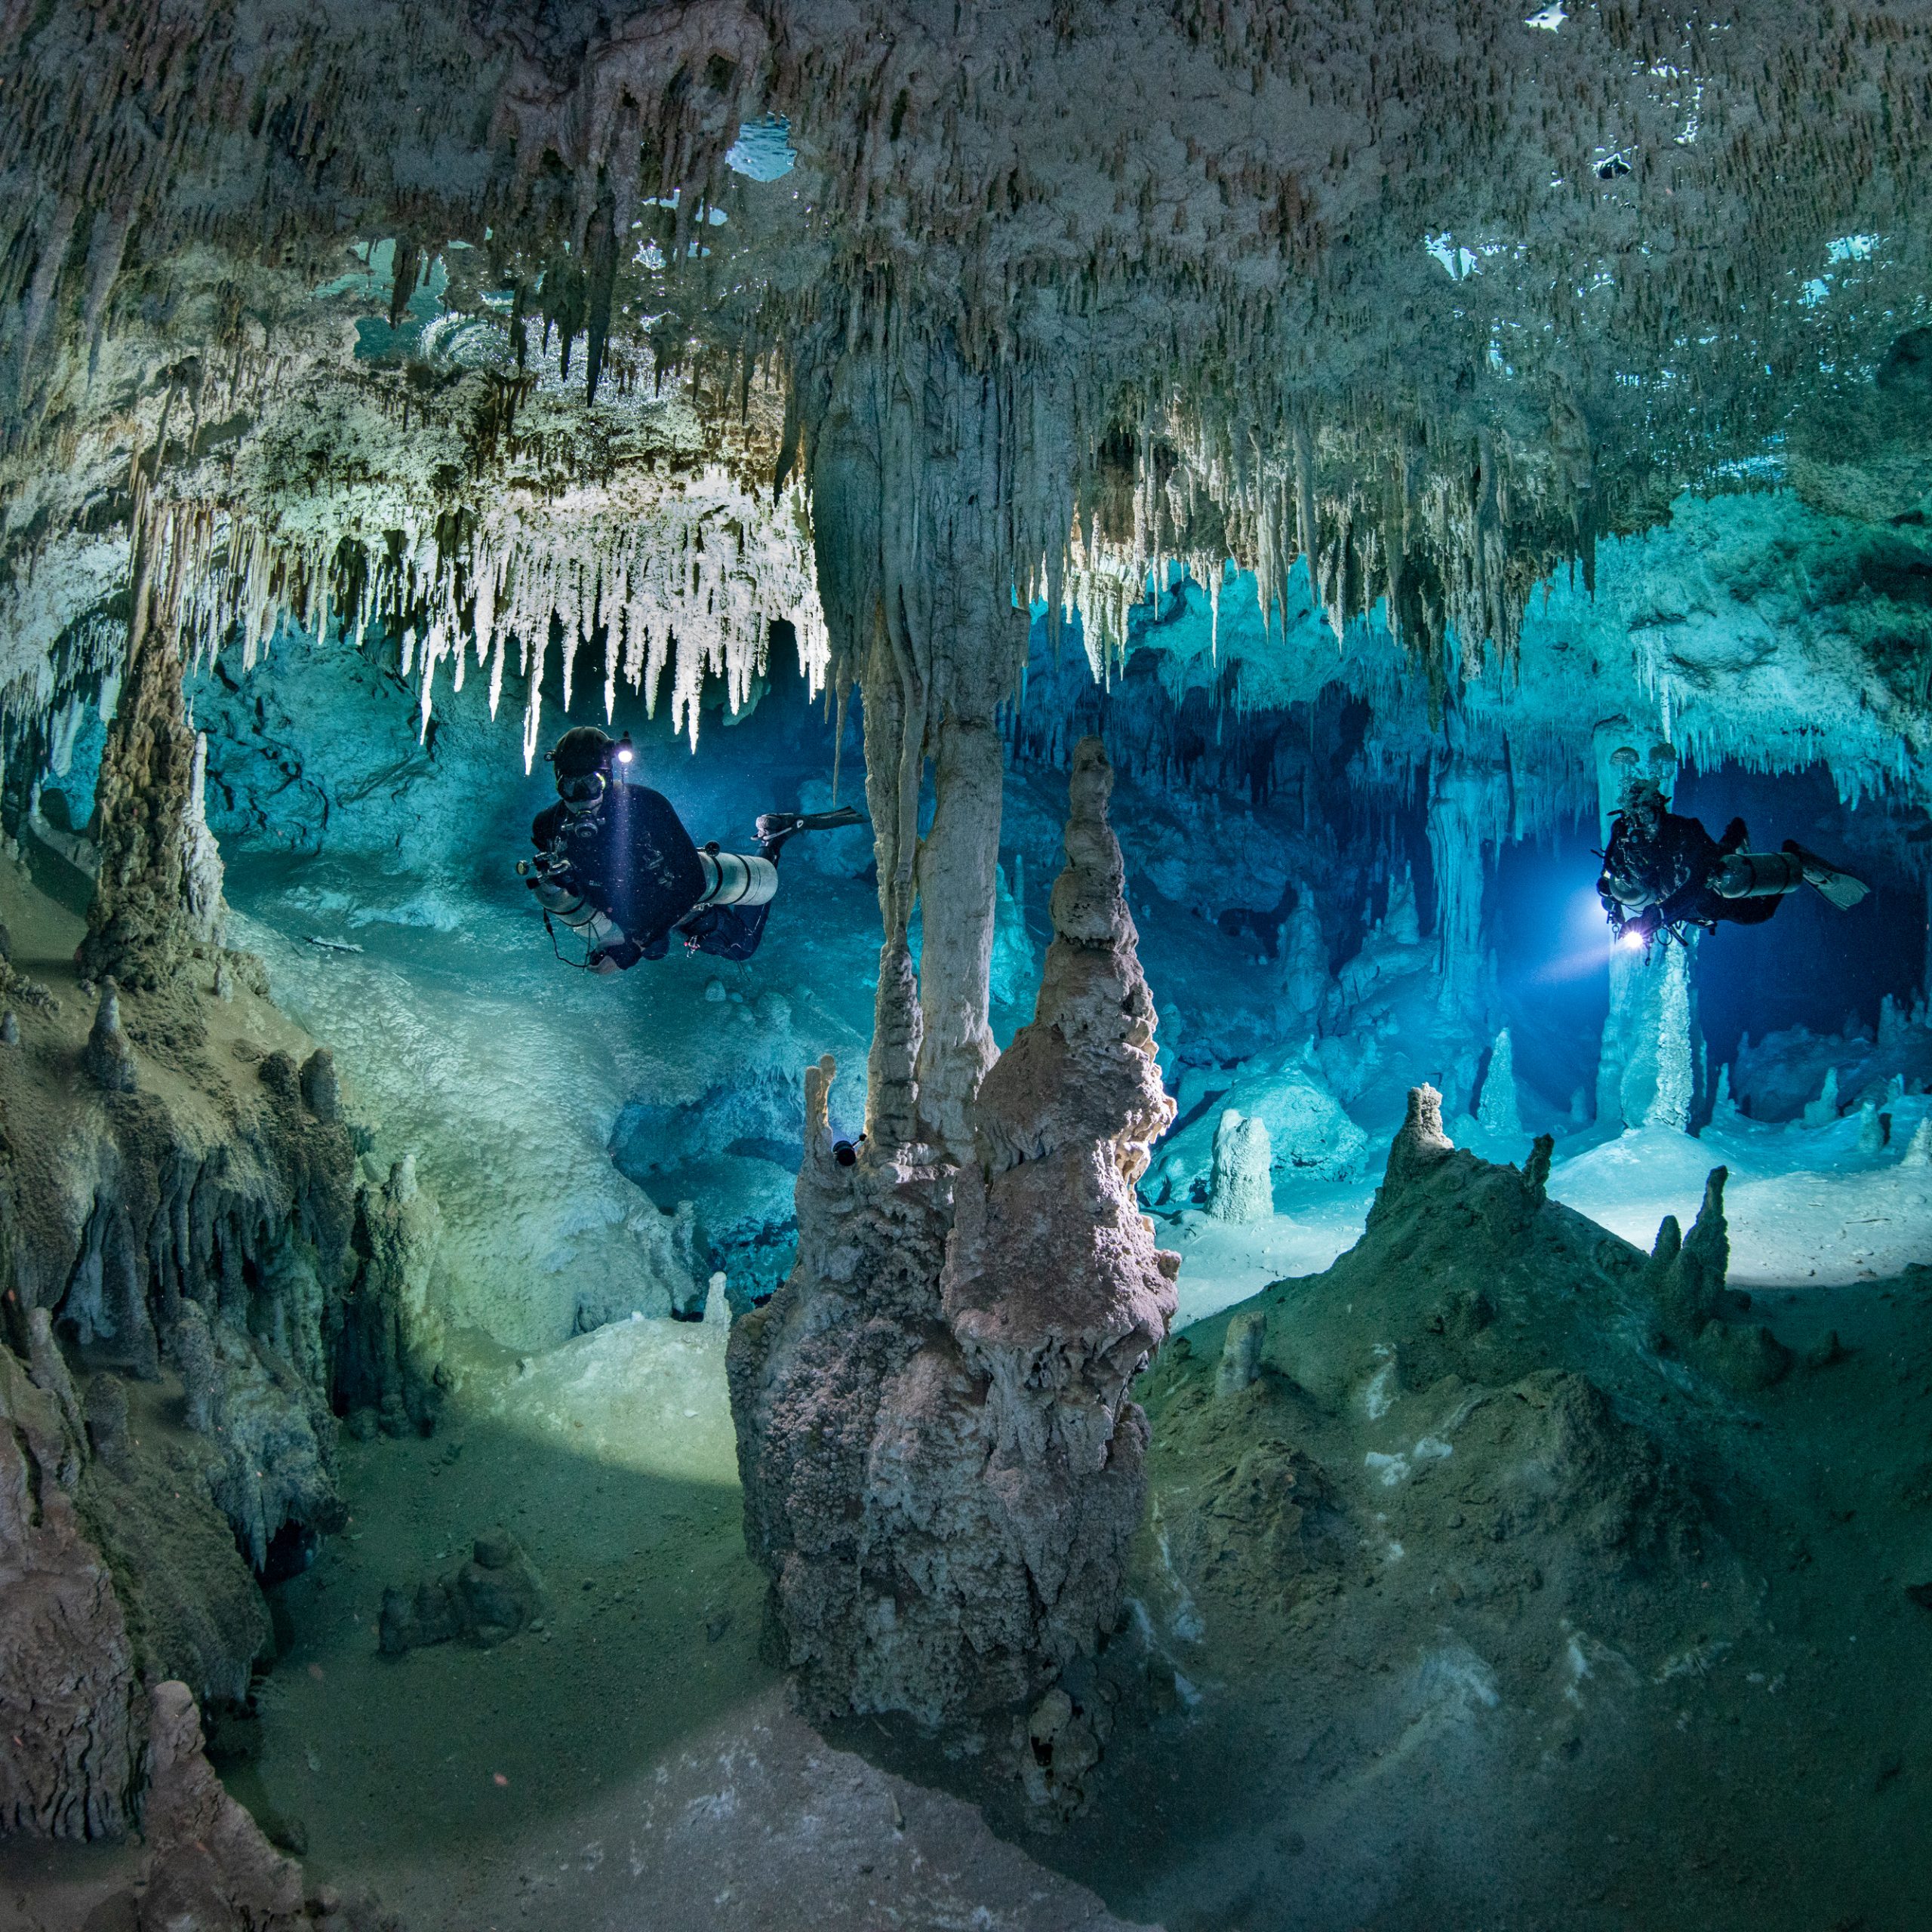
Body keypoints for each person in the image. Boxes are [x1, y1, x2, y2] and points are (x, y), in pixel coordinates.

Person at [521, 726, 863, 974]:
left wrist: (632, 948)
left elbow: (691, 883)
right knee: (654, 950)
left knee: (741, 947)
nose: (582, 798)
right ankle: (650, 938)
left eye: (592, 784)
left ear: (609, 778)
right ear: (558, 782)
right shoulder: (546, 825)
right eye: (570, 786)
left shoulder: (646, 807)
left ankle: (775, 838)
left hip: (671, 897)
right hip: (622, 904)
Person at [1597, 771, 1869, 952]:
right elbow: (1608, 873)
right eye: (1635, 816)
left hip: (1706, 885)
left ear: (1659, 810)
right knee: (1719, 857)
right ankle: (1735, 834)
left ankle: (1792, 855)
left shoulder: (1683, 830)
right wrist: (1614, 903)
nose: (1641, 823)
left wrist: (1654, 917)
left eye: (1647, 814)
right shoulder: (1623, 833)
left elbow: (1694, 885)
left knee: (1757, 912)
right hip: (1670, 901)